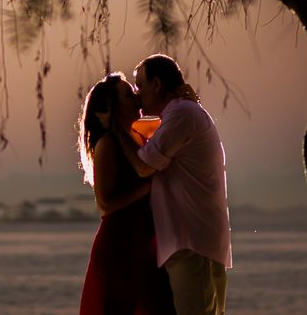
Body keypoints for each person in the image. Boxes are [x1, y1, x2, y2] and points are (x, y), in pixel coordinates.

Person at [118, 54, 232, 315]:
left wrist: (118, 132)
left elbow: (145, 165)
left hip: (192, 241)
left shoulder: (181, 113)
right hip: (192, 239)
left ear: (157, 85)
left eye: (140, 86)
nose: (137, 95)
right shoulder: (181, 112)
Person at [78, 73, 174, 315]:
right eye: (128, 95)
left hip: (145, 245)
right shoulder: (107, 144)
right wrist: (150, 186)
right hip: (119, 247)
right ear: (113, 107)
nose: (137, 99)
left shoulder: (134, 140)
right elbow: (105, 204)